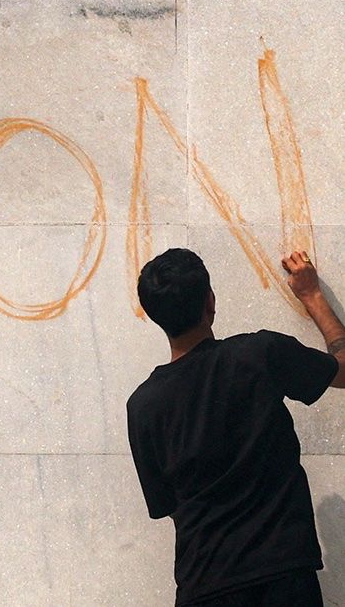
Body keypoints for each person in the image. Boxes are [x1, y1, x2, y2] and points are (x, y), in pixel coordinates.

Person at [127, 248, 345, 606]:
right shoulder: (259, 355)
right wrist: (312, 295)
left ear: (154, 316)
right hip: (282, 578)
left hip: (203, 585)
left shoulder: (143, 407)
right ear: (210, 302)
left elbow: (167, 505)